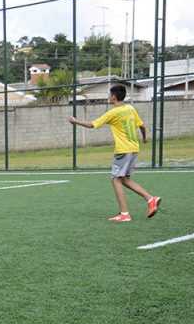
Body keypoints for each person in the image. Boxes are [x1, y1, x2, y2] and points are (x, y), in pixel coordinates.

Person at [68, 84, 161, 222]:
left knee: (116, 180)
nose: (108, 97)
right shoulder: (130, 108)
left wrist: (75, 121)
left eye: (109, 94)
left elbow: (92, 125)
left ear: (113, 96)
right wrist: (144, 137)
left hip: (123, 150)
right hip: (134, 148)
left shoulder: (113, 113)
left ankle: (124, 214)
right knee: (125, 180)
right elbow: (142, 125)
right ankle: (150, 198)